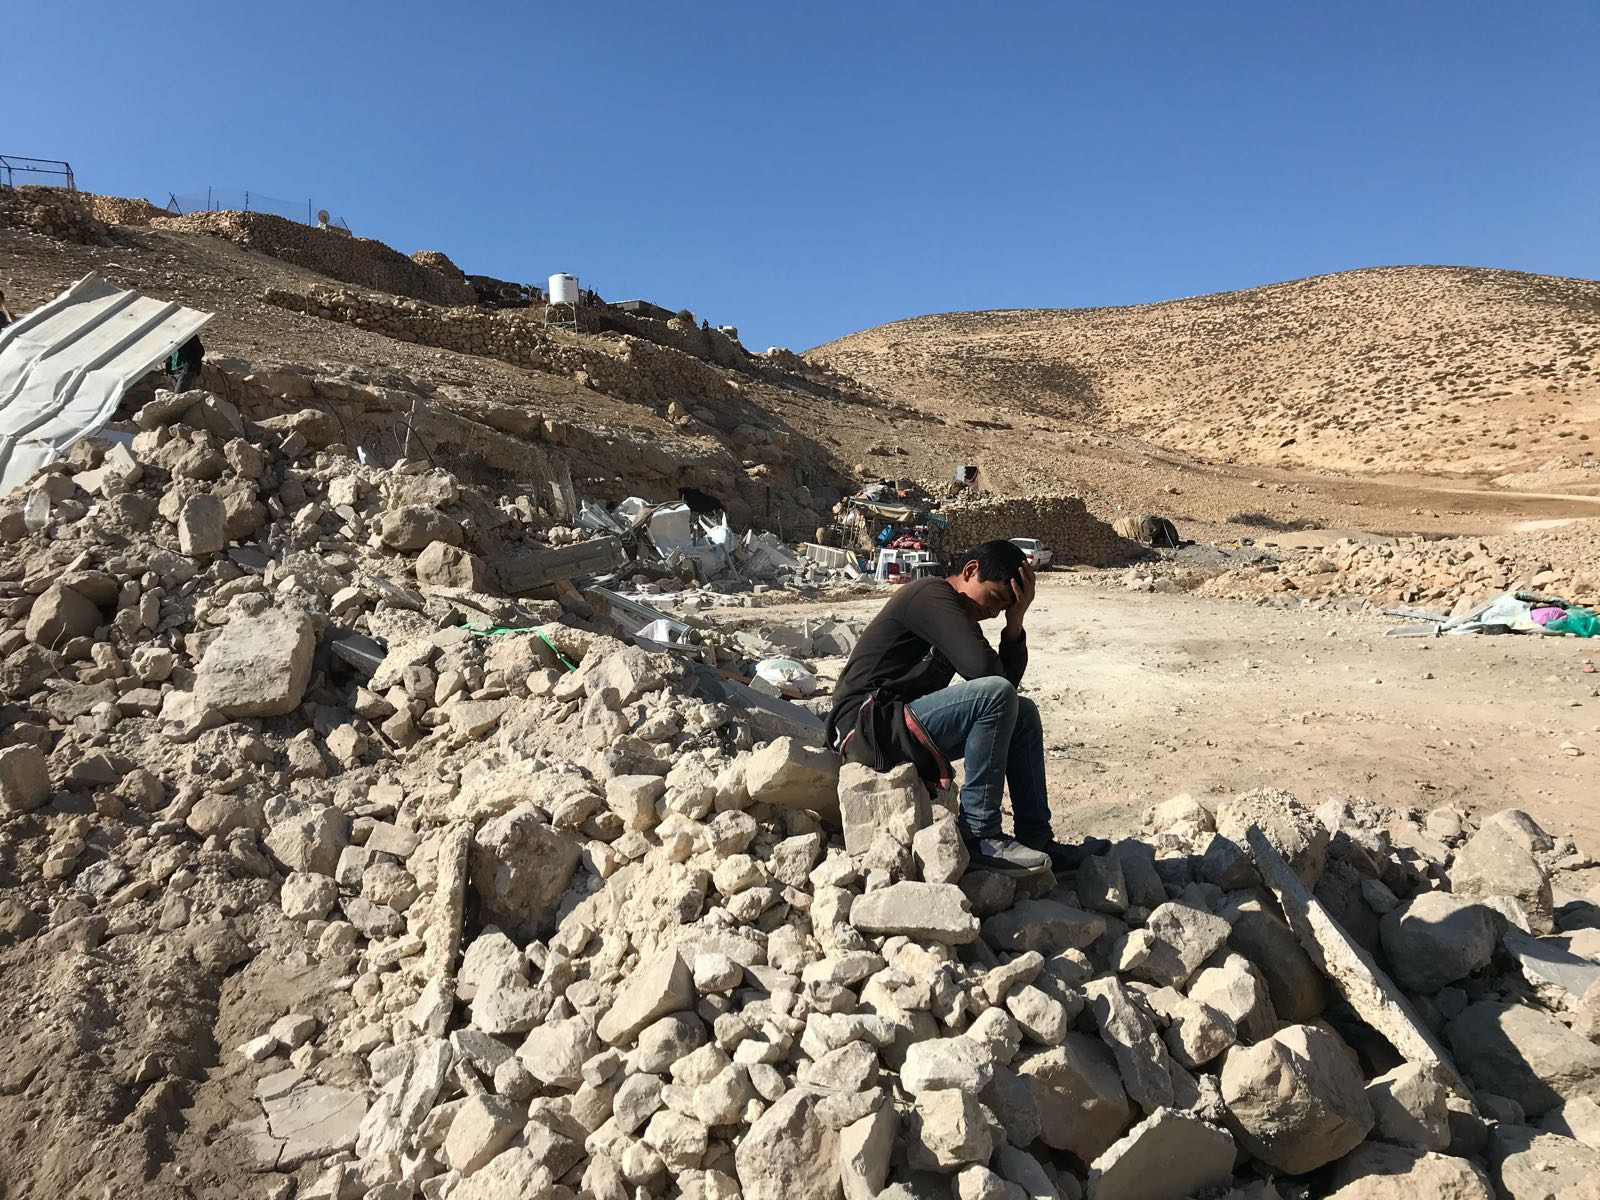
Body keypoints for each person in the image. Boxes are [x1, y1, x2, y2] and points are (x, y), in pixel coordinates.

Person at [827, 538, 1102, 876]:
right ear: (971, 570)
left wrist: (1014, 624)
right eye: (996, 599)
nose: (993, 612)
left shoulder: (959, 615)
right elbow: (988, 676)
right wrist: (1008, 629)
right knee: (995, 695)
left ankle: (1037, 839)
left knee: (1024, 714)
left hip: (896, 725)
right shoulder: (931, 595)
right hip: (866, 725)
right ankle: (980, 833)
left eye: (1002, 608)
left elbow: (1007, 696)